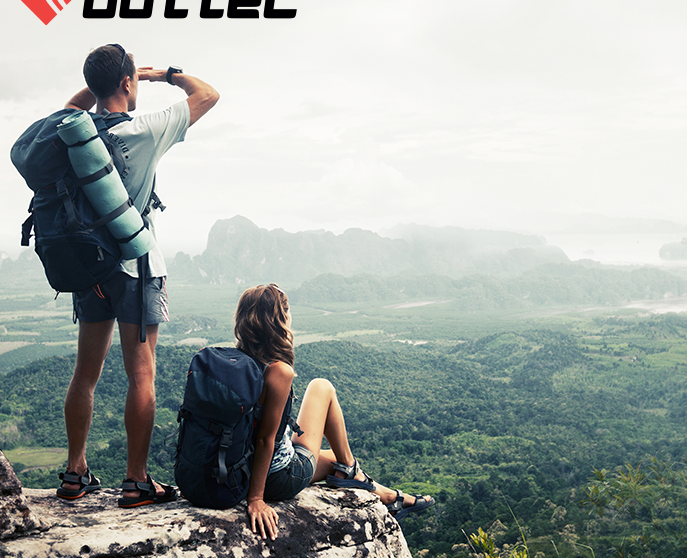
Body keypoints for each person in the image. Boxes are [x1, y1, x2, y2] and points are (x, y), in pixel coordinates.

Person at [57, 44, 219, 507]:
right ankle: (136, 480)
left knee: (84, 374)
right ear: (126, 83)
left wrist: (108, 81)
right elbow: (207, 94)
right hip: (136, 267)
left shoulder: (74, 129)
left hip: (90, 268)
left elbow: (70, 107)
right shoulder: (145, 129)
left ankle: (74, 473)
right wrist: (158, 74)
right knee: (141, 375)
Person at [225, 284, 435, 539]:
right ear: (279, 320)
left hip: (237, 469)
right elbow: (264, 439)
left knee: (335, 461)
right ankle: (354, 470)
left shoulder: (235, 363)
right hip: (277, 477)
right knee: (321, 387)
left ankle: (385, 494)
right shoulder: (278, 371)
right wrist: (256, 499)